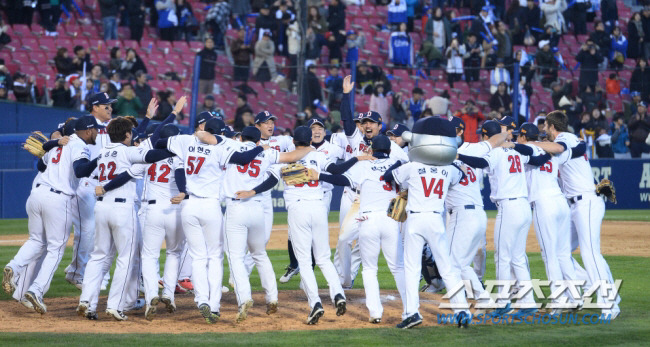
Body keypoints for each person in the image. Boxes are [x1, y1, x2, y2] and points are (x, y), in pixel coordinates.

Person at [162, 116, 268, 323]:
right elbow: (243, 159)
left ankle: (201, 299)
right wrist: (260, 148)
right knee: (215, 257)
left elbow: (160, 143)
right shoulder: (221, 146)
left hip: (189, 205)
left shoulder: (187, 141)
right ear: (219, 133)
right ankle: (214, 305)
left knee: (197, 257)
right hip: (210, 205)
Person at [76, 114, 176, 321]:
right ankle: (115, 305)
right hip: (123, 208)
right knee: (126, 258)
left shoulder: (103, 152)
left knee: (98, 256)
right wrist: (176, 149)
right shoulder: (128, 152)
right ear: (128, 134)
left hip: (101, 207)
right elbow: (150, 157)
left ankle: (87, 301)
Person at [2, 116, 100, 314]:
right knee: (56, 248)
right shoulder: (79, 145)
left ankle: (14, 266)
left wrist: (53, 145)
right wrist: (100, 158)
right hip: (58, 198)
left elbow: (41, 166)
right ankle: (36, 290)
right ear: (85, 131)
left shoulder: (57, 146)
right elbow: (80, 171)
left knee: (36, 241)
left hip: (36, 194)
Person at [384, 117, 471, 329]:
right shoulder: (449, 169)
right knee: (448, 268)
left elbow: (388, 176)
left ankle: (412, 313)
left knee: (412, 269)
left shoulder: (412, 166)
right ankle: (463, 312)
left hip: (415, 219)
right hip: (436, 219)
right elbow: (460, 175)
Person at [533, 111, 621, 320]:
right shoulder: (567, 140)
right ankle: (592, 286)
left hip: (586, 202)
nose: (544, 130)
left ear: (553, 127)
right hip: (574, 204)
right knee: (563, 252)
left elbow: (559, 149)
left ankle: (609, 305)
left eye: (546, 126)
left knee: (590, 253)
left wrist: (532, 144)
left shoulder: (565, 139)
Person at [316, 135, 407, 324]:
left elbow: (341, 179)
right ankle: (410, 309)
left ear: (371, 150)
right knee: (398, 268)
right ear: (390, 150)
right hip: (390, 219)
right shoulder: (398, 164)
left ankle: (375, 313)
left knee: (369, 269)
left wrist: (318, 175)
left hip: (367, 220)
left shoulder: (363, 164)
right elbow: (407, 187)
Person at [456, 120, 537, 318]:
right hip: (524, 207)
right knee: (517, 257)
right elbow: (534, 157)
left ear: (486, 137)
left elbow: (481, 163)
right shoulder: (516, 151)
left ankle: (503, 301)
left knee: (503, 257)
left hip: (509, 207)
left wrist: (458, 155)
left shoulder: (496, 151)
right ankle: (528, 302)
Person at [505, 123, 585, 311]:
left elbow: (522, 153)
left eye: (519, 136)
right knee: (563, 254)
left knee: (549, 256)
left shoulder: (525, 150)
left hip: (544, 204)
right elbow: (577, 149)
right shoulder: (551, 150)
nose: (517, 139)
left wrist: (510, 145)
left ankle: (557, 301)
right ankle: (575, 297)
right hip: (560, 202)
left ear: (524, 137)